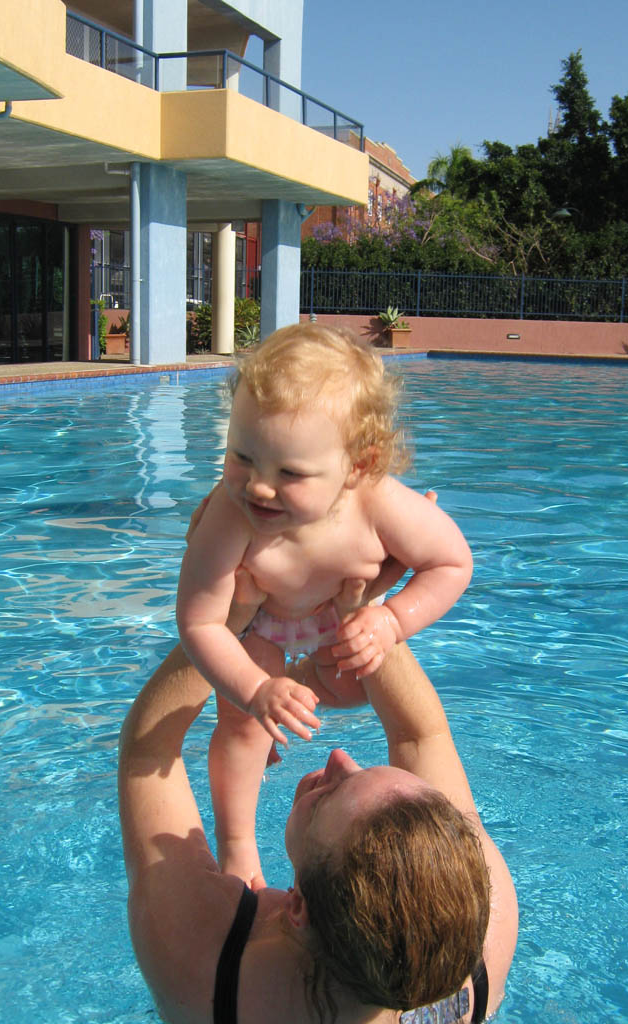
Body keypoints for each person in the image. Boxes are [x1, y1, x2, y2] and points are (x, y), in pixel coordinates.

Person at [176, 323, 474, 887]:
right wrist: (254, 689)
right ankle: (238, 847)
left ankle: (302, 685)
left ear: (358, 466)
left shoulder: (378, 502)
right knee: (243, 727)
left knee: (368, 684)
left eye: (290, 473)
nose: (258, 488)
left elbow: (453, 562)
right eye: (241, 456)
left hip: (338, 615)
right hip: (260, 625)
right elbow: (199, 621)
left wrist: (389, 619)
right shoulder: (230, 513)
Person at [118, 624, 518, 1023]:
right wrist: (357, 609)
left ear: (297, 906)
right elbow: (420, 736)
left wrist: (223, 617)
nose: (339, 758)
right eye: (361, 769)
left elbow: (148, 753)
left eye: (327, 797)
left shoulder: (198, 975)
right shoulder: (486, 941)